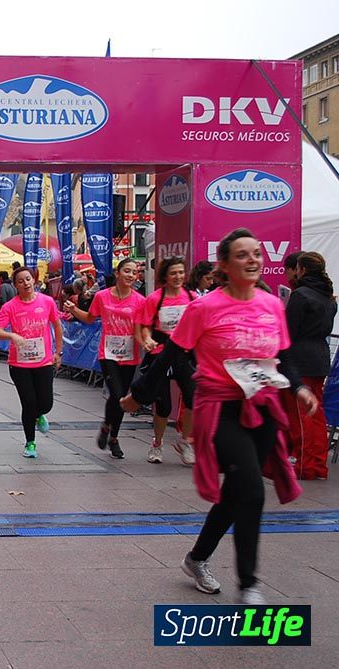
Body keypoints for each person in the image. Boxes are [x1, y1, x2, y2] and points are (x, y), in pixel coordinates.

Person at [121, 228, 316, 604]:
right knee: (253, 492)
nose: (254, 260)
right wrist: (139, 395)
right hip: (220, 406)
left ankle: (196, 558)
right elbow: (170, 354)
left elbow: (285, 355)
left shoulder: (271, 304)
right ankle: (250, 583)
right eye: (243, 255)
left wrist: (300, 387)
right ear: (224, 266)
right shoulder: (204, 307)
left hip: (261, 406)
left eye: (257, 253)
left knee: (236, 492)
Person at [64, 259, 145, 459]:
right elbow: (90, 319)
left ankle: (110, 432)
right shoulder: (101, 296)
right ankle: (112, 435)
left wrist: (146, 341)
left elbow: (142, 327)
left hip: (130, 355)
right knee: (117, 395)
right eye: (127, 271)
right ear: (118, 273)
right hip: (108, 354)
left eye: (134, 273)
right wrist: (73, 310)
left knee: (122, 400)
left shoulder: (140, 300)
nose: (130, 275)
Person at [0, 266, 63, 458]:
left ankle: (40, 414)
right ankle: (30, 443)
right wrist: (12, 335)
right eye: (21, 281)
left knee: (46, 403)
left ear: (34, 280)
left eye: (28, 279)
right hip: (19, 364)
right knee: (28, 402)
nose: (26, 283)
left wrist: (58, 352)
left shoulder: (47, 301)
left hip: (44, 361)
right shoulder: (10, 307)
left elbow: (57, 325)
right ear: (15, 285)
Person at [136, 256, 196, 466]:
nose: (178, 276)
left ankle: (185, 441)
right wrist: (148, 339)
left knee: (193, 398)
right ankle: (157, 443)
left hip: (184, 354)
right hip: (161, 355)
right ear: (165, 276)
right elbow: (144, 325)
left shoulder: (191, 296)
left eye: (181, 272)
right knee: (163, 406)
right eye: (173, 273)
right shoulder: (155, 299)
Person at [282, 251, 336, 480]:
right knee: (316, 414)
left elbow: (289, 330)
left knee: (301, 415)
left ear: (302, 269)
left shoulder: (301, 295)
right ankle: (316, 463)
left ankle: (306, 464)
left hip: (300, 359)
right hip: (320, 357)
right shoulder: (329, 297)